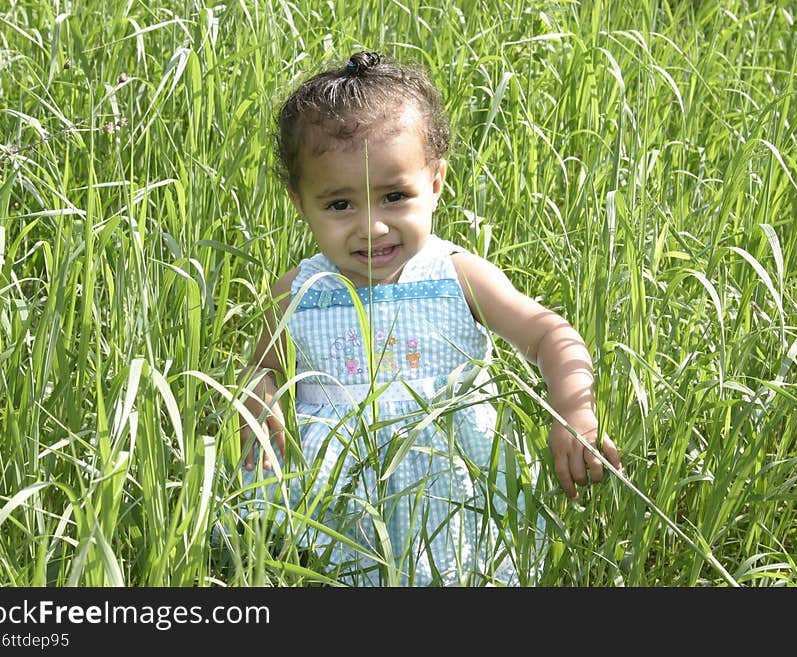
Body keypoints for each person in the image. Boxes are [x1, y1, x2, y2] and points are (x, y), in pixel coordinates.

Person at [237, 51, 622, 586]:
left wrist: (573, 414)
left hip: (448, 488)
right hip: (334, 495)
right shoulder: (300, 290)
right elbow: (263, 366)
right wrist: (260, 403)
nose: (372, 228)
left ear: (436, 183)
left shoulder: (455, 276)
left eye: (395, 196)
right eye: (340, 205)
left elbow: (549, 334)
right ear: (300, 204)